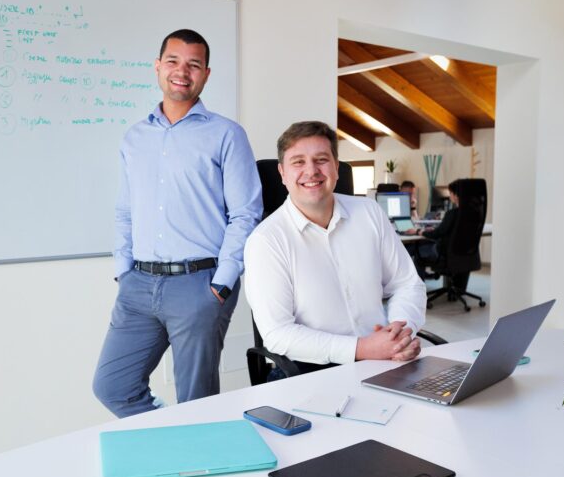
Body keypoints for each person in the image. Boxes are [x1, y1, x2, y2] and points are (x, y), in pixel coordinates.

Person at [93, 29, 263, 417]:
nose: (182, 72)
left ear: (206, 74)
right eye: (173, 61)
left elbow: (245, 214)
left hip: (198, 284)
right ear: (158, 66)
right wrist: (123, 271)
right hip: (138, 285)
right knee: (113, 387)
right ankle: (172, 437)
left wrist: (221, 284)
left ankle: (195, 448)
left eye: (193, 64)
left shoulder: (227, 135)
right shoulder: (134, 137)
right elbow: (125, 211)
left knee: (196, 403)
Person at [244, 121, 425, 380]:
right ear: (282, 173)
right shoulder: (266, 240)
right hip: (309, 371)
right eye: (298, 162)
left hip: (384, 358)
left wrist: (399, 332)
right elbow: (277, 334)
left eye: (321, 160)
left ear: (336, 168)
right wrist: (362, 349)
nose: (311, 171)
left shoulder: (370, 213)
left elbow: (407, 284)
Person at [404, 179, 461, 270]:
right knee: (419, 247)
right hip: (461, 255)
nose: (449, 195)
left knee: (418, 250)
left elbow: (437, 233)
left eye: (450, 193)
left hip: (445, 253)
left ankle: (420, 278)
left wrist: (418, 231)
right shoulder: (471, 213)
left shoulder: (452, 214)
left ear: (455, 195)